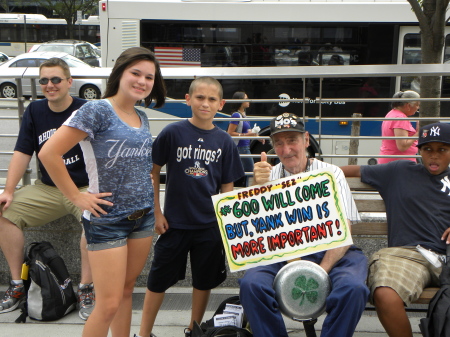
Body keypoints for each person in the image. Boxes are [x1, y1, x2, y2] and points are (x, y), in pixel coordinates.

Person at [38, 47, 166, 337]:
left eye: (149, 77)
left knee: (125, 291)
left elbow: (144, 168)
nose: (142, 81)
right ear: (120, 72)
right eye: (136, 73)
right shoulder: (97, 110)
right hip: (107, 221)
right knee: (106, 304)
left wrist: (154, 207)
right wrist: (77, 196)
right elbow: (49, 153)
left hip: (142, 218)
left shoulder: (142, 116)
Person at [239, 113, 369, 337]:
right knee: (251, 285)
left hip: (331, 251)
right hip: (279, 251)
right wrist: (256, 189)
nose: (286, 148)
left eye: (292, 140)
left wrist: (318, 272)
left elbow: (344, 230)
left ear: (306, 140)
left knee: (353, 289)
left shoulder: (332, 173)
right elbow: (254, 230)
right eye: (278, 143)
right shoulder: (267, 176)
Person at [136, 76, 244, 337]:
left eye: (211, 99)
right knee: (157, 280)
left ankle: (193, 329)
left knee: (203, 281)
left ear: (221, 104)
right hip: (173, 223)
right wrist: (157, 212)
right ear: (188, 99)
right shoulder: (173, 132)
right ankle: (143, 332)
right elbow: (152, 172)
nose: (205, 103)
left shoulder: (225, 142)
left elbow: (227, 186)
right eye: (199, 97)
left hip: (208, 226)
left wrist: (222, 222)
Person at [0, 57, 95, 321]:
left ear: (69, 82)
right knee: (4, 212)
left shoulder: (86, 109)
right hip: (49, 188)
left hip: (83, 187)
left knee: (94, 219)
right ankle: (18, 284)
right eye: (44, 80)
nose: (50, 85)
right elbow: (22, 152)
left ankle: (86, 289)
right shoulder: (35, 110)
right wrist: (8, 191)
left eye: (56, 79)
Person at [341, 122, 450, 337]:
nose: (434, 156)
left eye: (442, 150)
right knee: (385, 294)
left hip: (447, 254)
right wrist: (305, 171)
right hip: (408, 255)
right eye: (428, 149)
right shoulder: (398, 171)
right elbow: (345, 171)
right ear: (419, 151)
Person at [227, 90, 260, 187]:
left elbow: (247, 132)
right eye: (246, 98)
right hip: (241, 148)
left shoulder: (244, 115)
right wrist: (246, 135)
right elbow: (230, 133)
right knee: (251, 170)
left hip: (245, 147)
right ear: (240, 101)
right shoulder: (236, 115)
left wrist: (257, 136)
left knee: (242, 171)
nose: (248, 100)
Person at [378, 90, 420, 164]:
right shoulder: (400, 118)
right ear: (408, 105)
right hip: (398, 164)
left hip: (391, 161)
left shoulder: (392, 113)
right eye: (417, 105)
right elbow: (402, 146)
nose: (418, 108)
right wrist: (418, 133)